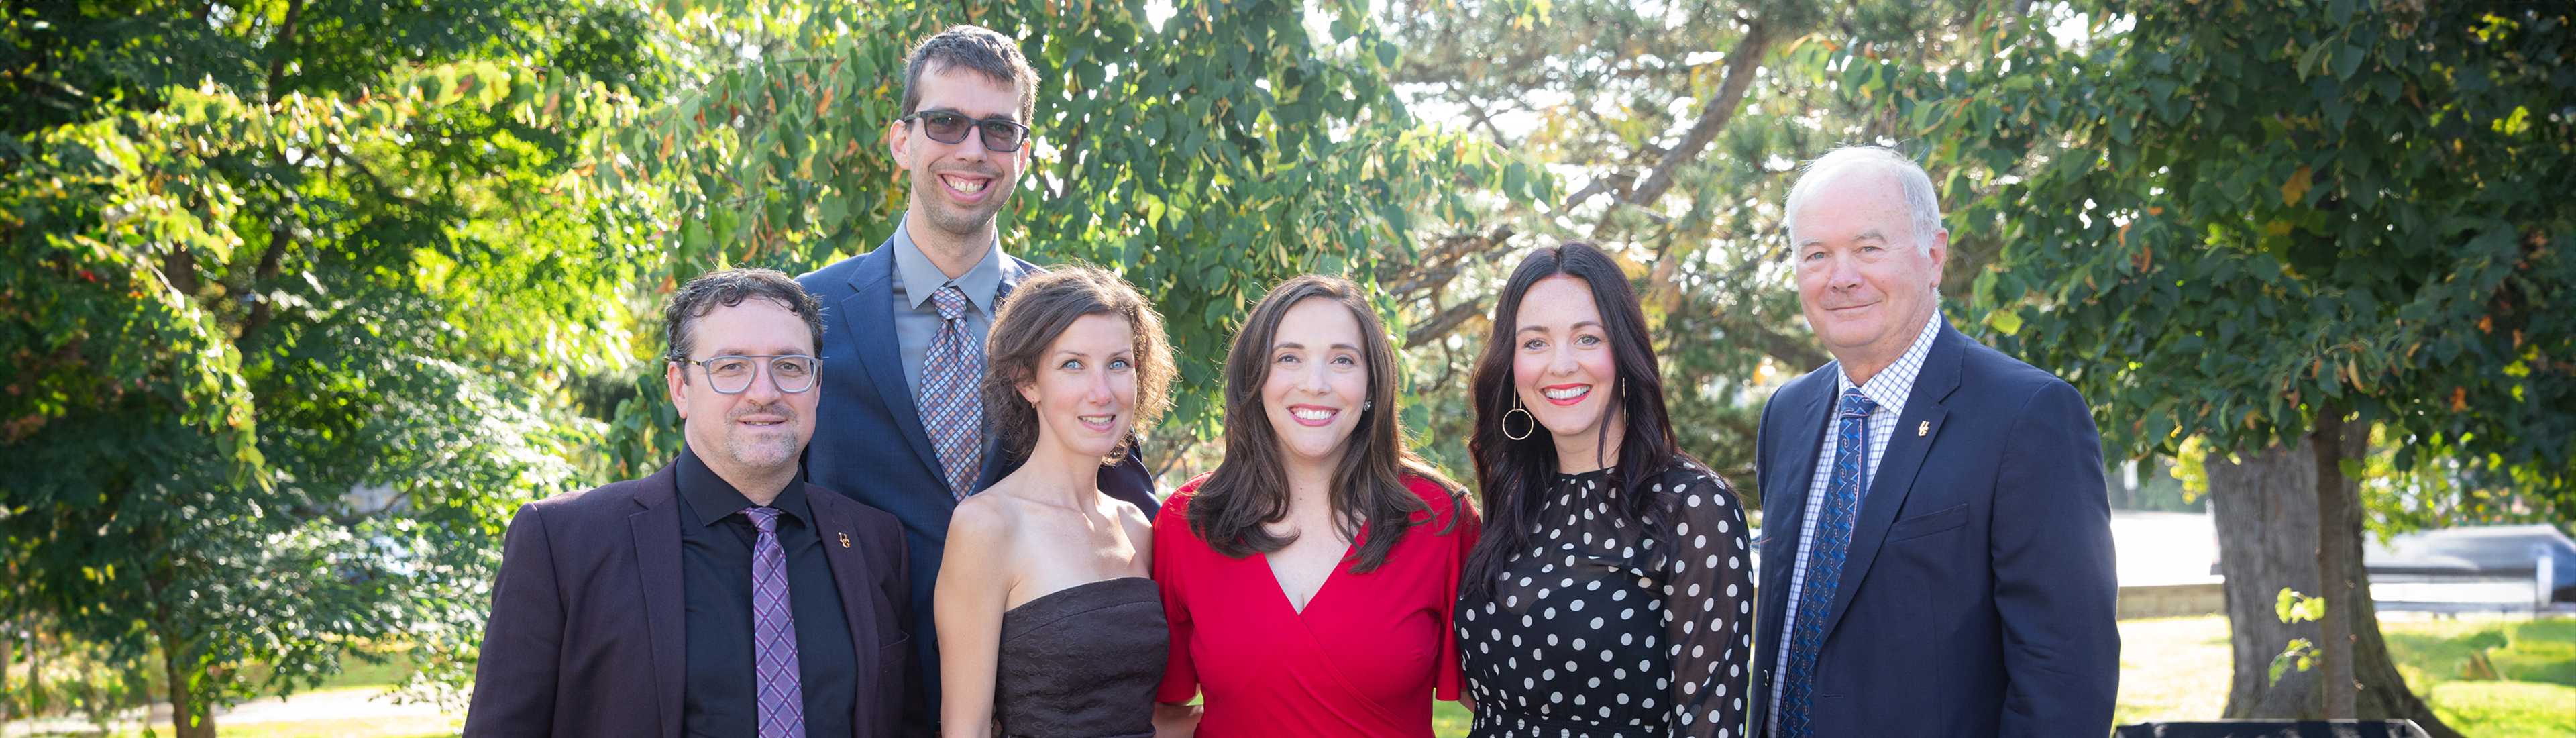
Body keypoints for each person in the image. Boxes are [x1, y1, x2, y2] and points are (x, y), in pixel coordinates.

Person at [796, 25, 1157, 727]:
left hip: (1034, 701)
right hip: (851, 695)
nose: (971, 149)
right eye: (946, 122)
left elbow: (1119, 495)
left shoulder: (1071, 324)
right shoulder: (809, 313)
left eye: (997, 130)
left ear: (1022, 153)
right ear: (903, 140)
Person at [1747, 146, 2118, 737]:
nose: (1841, 277)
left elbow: (2065, 676)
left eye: (1869, 248)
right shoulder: (1787, 415)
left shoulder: (2028, 416)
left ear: (1934, 256)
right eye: (1816, 254)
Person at [466, 268, 912, 737]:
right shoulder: (564, 543)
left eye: (790, 366)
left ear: (816, 386)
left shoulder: (874, 543)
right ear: (680, 387)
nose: (765, 392)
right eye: (731, 366)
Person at [1152, 275, 1477, 738]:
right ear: (1254, 378)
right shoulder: (1189, 522)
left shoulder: (1439, 519)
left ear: (1372, 384)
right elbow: (1159, 713)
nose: (1315, 384)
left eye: (1342, 360)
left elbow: (1501, 702)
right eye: (1289, 358)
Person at [1452, 242, 1752, 737]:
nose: (1562, 364)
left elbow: (1709, 723)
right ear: (1512, 365)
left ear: (1624, 350)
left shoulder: (1693, 505)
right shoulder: (1515, 496)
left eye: (1588, 338)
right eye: (1535, 343)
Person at [932, 267, 1175, 738]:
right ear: (1027, 382)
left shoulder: (1138, 527)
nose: (1101, 392)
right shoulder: (987, 526)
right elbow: (967, 729)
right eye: (1073, 365)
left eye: (1119, 364)